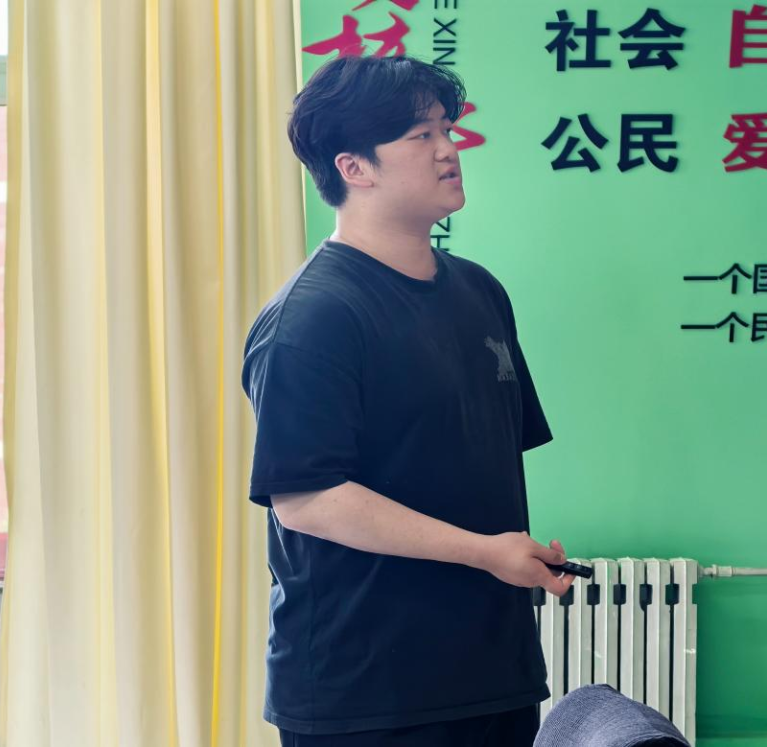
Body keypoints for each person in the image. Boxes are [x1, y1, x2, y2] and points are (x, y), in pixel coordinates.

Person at [241, 54, 576, 747]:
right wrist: (484, 552)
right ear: (353, 167)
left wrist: (508, 553)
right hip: (366, 693)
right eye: (421, 135)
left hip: (493, 674)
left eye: (447, 129)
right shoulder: (313, 317)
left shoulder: (480, 291)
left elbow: (472, 468)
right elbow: (307, 497)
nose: (449, 149)